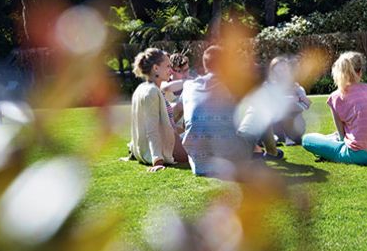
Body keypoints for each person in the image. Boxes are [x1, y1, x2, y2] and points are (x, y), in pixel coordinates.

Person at [302, 52, 367, 165]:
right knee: (335, 138)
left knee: (307, 139)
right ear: (360, 71)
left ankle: (328, 152)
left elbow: (342, 136)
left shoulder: (337, 96)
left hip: (357, 155)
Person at [181, 45, 253, 176]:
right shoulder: (232, 86)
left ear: (205, 65)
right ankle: (271, 152)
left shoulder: (189, 86)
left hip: (199, 163)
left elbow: (178, 113)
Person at [128, 48, 189, 172]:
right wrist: (157, 161)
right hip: (171, 149)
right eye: (168, 66)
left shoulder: (143, 88)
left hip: (170, 142)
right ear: (156, 68)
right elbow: (152, 129)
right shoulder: (151, 91)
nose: (171, 70)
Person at [268, 56, 311, 146]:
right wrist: (293, 99)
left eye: (285, 69)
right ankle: (281, 137)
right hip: (276, 127)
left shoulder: (296, 87)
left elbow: (307, 104)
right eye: (279, 70)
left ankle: (289, 137)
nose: (283, 72)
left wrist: (299, 98)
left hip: (296, 126)